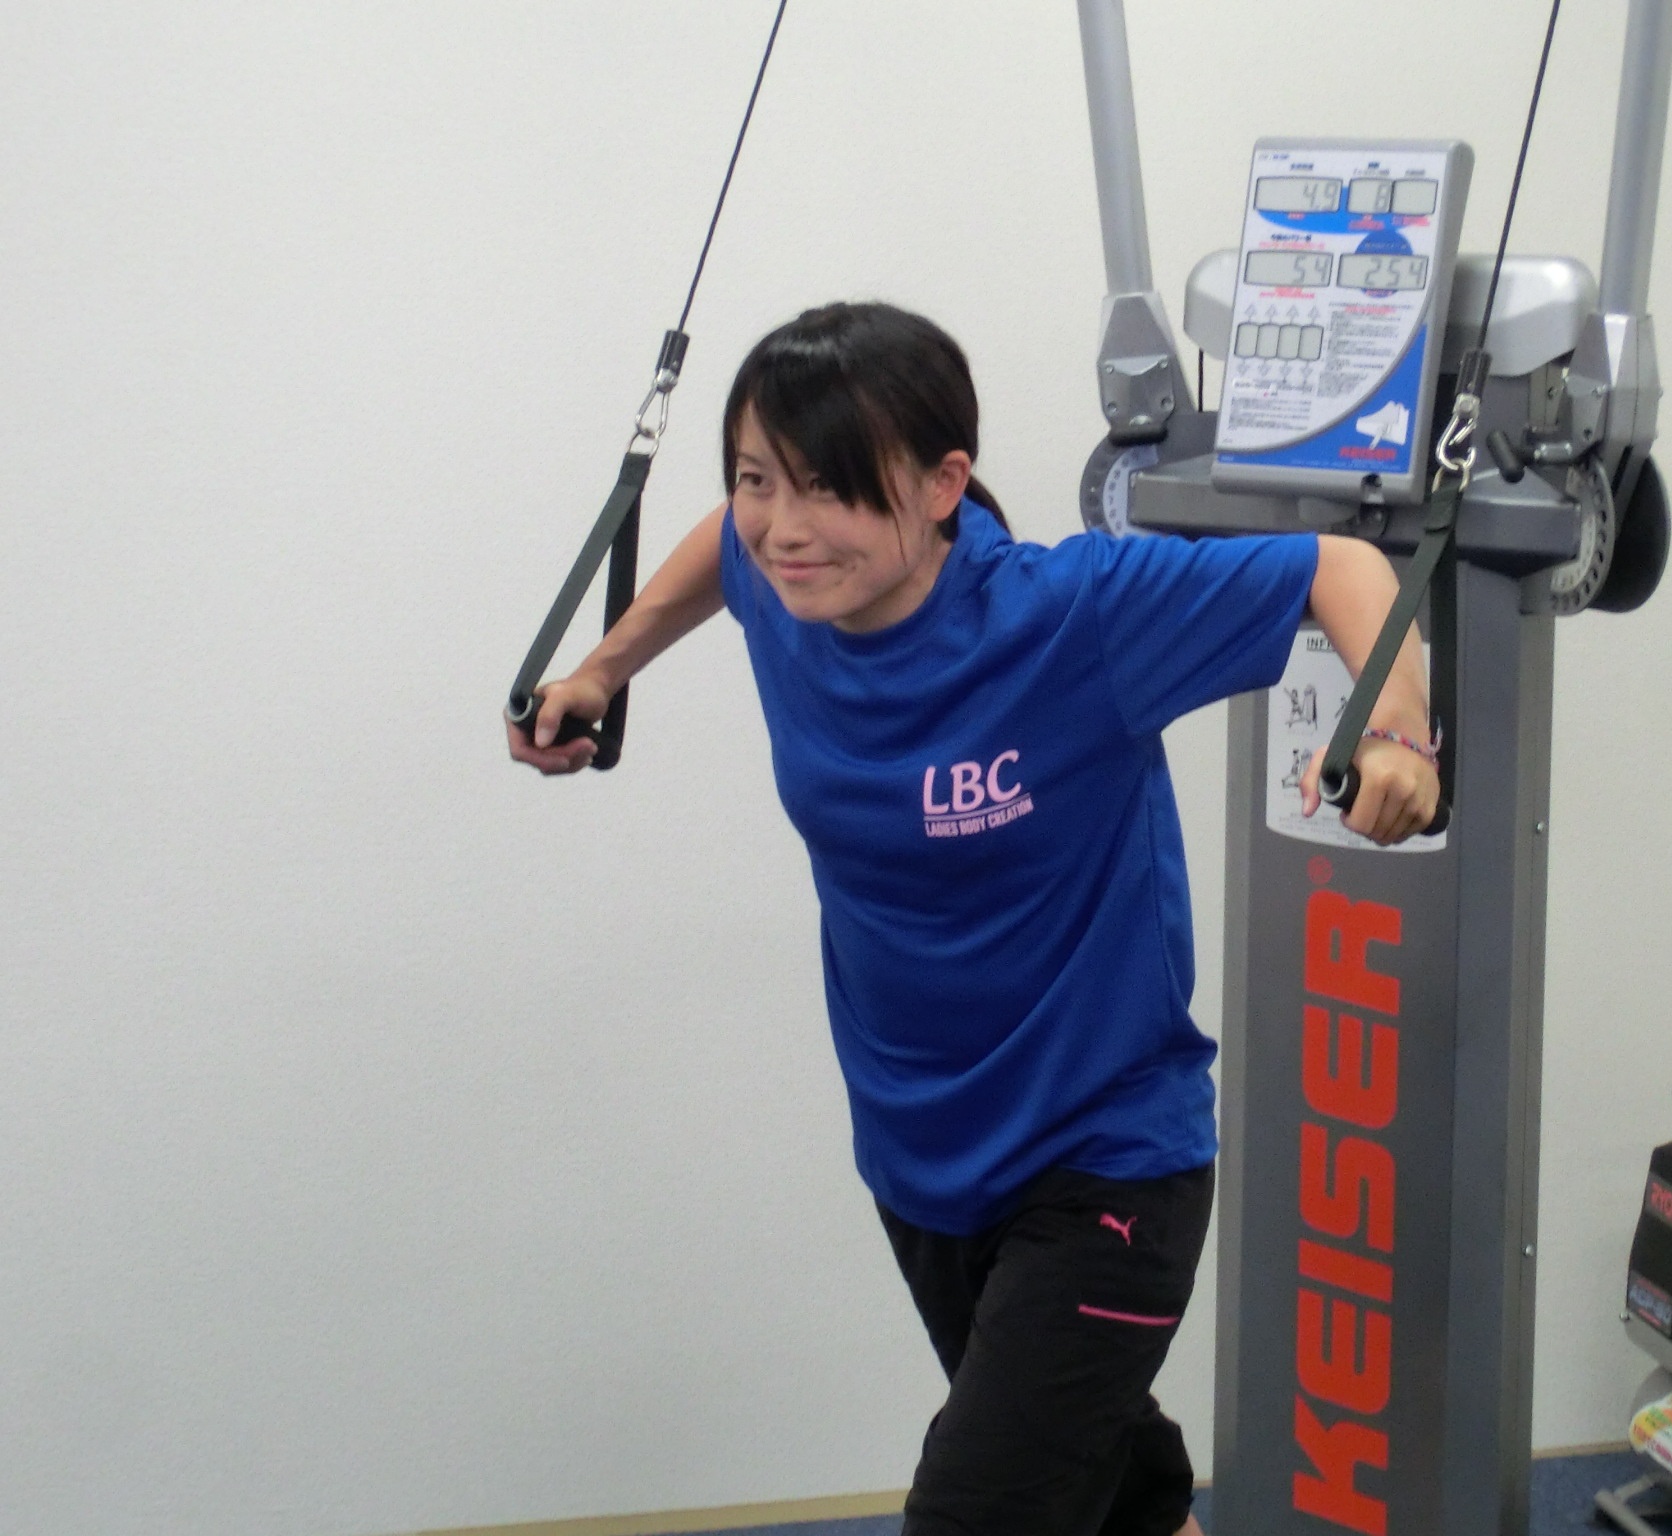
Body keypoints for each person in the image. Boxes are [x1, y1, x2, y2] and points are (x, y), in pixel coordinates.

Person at [507, 302, 1436, 1536]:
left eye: (828, 487)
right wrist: (602, 668)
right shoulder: (786, 583)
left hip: (1104, 1163)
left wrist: (1394, 730)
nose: (783, 527)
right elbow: (720, 552)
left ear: (944, 484)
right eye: (756, 477)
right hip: (919, 1154)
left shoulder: (1070, 616)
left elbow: (1338, 567)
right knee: (1111, 1493)